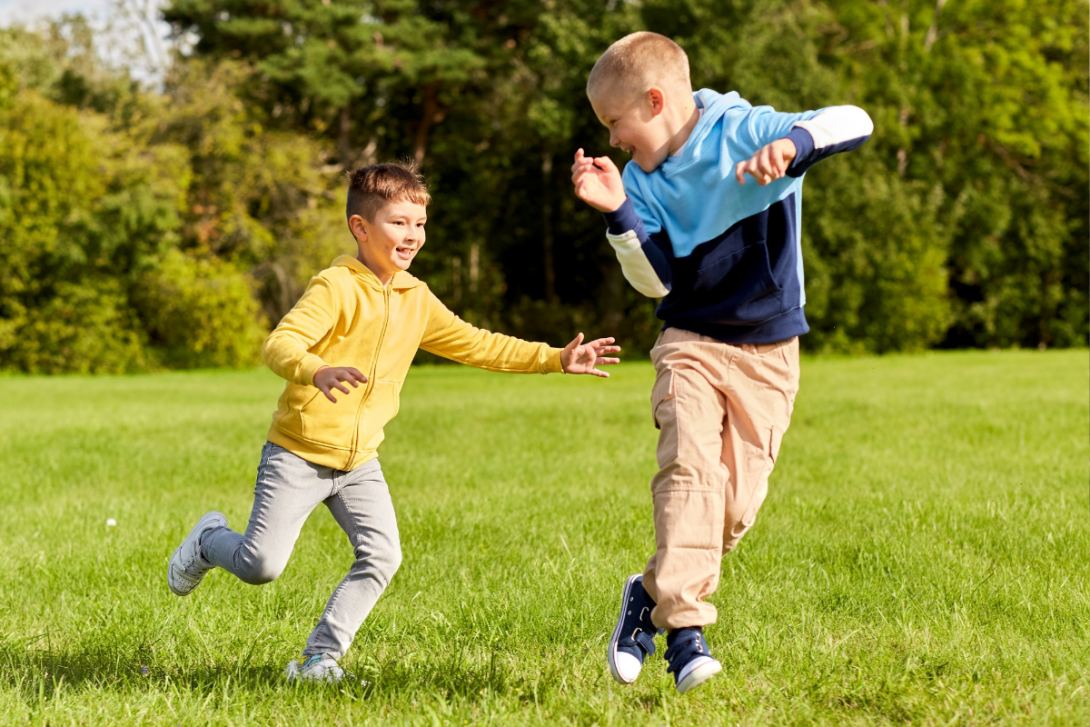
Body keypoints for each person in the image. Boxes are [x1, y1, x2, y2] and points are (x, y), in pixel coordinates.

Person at [167, 161, 620, 682]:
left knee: (381, 556)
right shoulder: (335, 287)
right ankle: (208, 541)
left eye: (420, 223)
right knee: (260, 565)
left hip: (360, 462)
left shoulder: (416, 298)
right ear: (361, 227)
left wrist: (554, 358)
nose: (413, 235)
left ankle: (319, 658)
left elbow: (476, 343)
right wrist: (316, 369)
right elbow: (280, 343)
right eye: (399, 222)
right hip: (299, 451)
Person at [571, 31, 872, 694]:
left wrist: (793, 145)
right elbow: (655, 281)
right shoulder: (641, 184)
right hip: (692, 341)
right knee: (689, 471)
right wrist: (618, 209)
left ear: (654, 102)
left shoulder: (743, 127)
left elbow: (855, 120)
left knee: (729, 511)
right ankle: (685, 634)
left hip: (770, 352)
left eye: (615, 123)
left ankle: (645, 594)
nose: (614, 141)